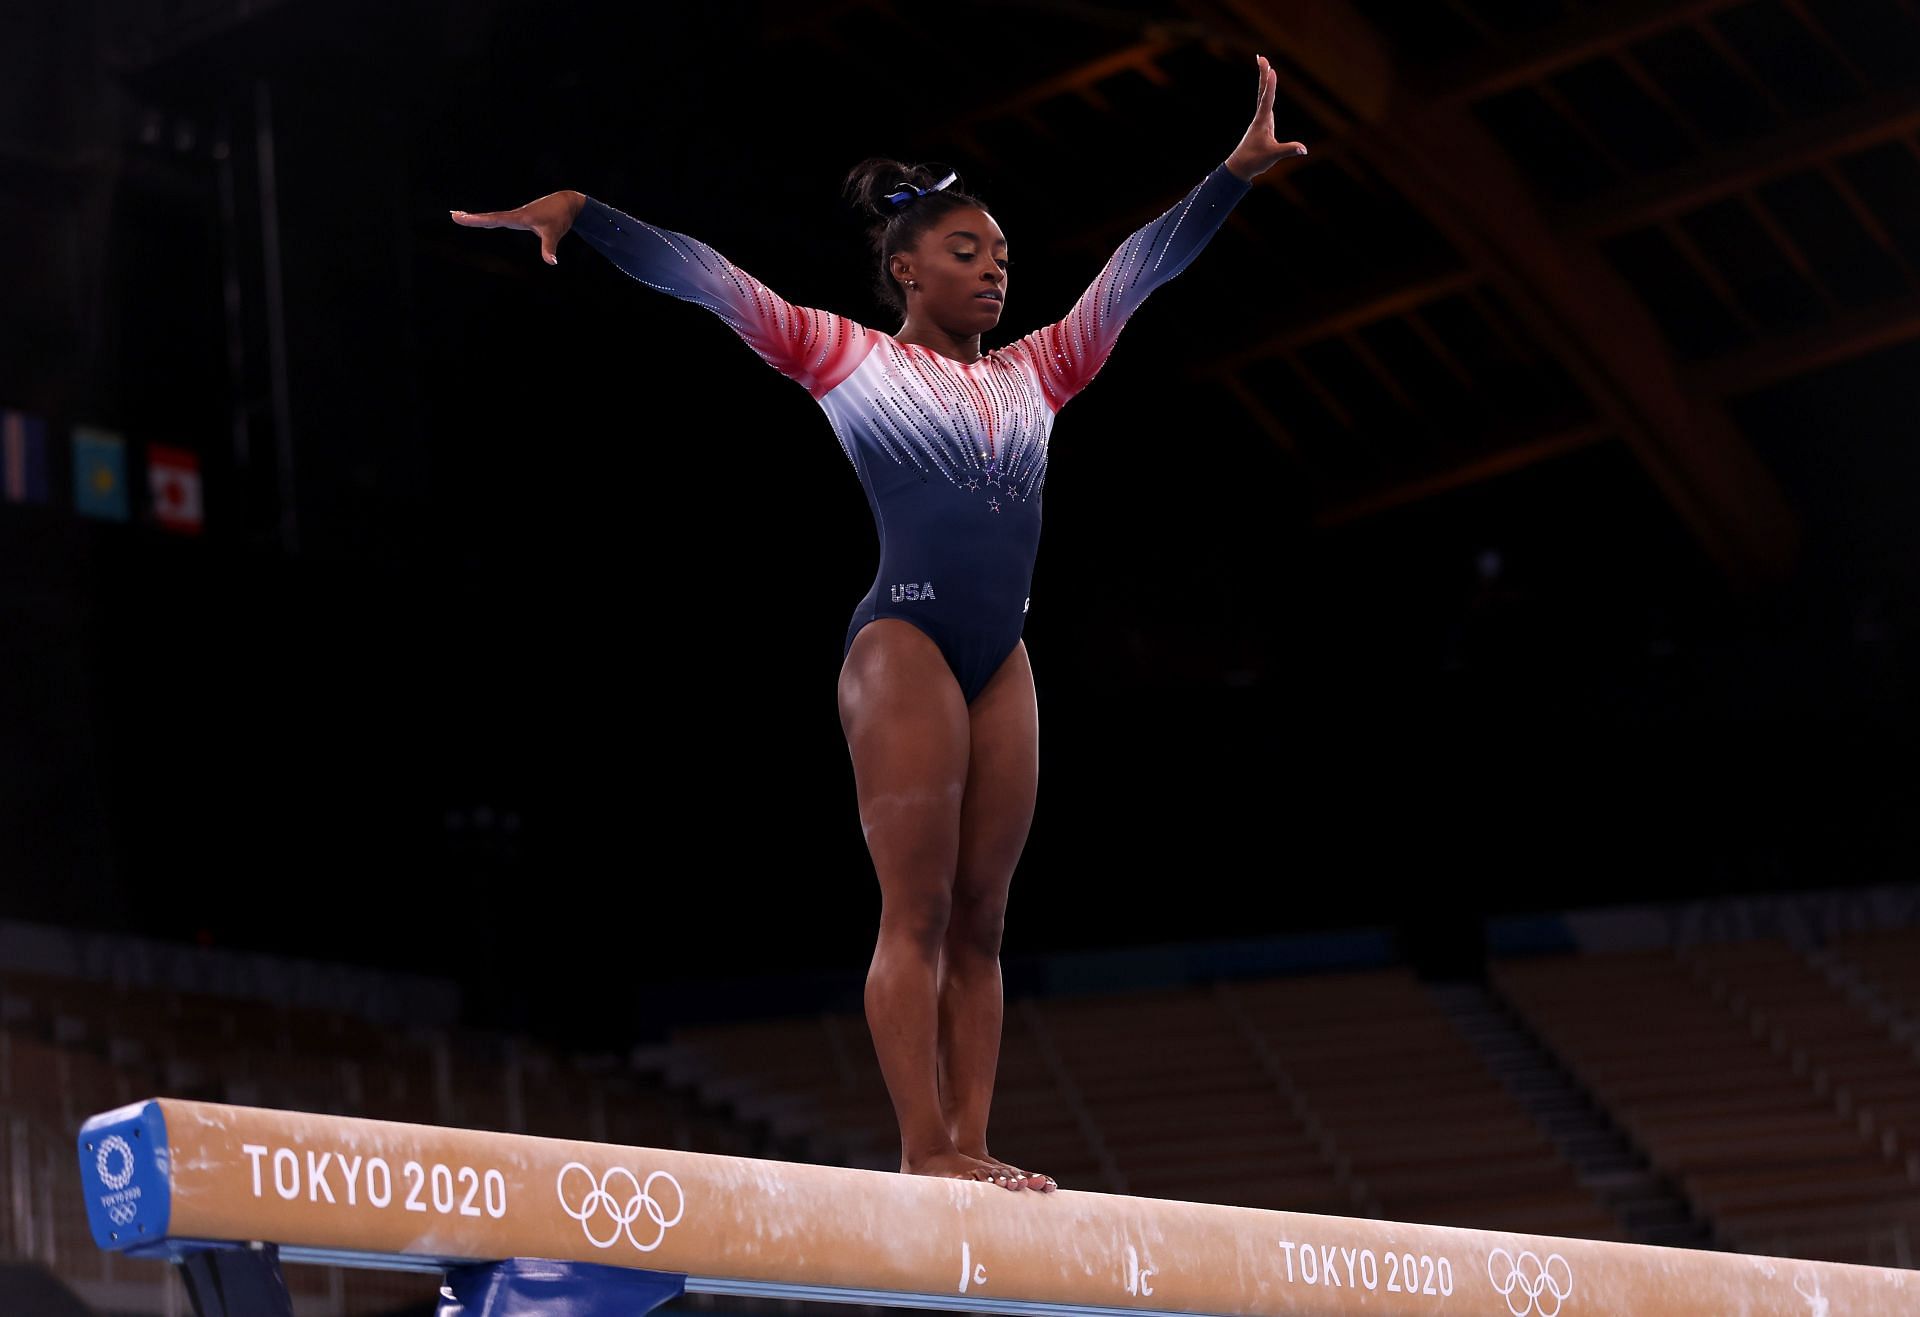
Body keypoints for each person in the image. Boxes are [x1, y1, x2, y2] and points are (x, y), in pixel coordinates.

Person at [452, 54, 1304, 1193]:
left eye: (1002, 256)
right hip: (899, 645)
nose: (994, 271)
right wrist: (590, 218)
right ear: (905, 267)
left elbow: (1134, 273)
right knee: (917, 906)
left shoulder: (1042, 372)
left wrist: (1230, 180)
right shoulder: (844, 357)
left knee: (983, 922)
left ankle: (975, 1141)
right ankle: (924, 1147)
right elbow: (717, 283)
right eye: (966, 254)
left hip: (1001, 658)